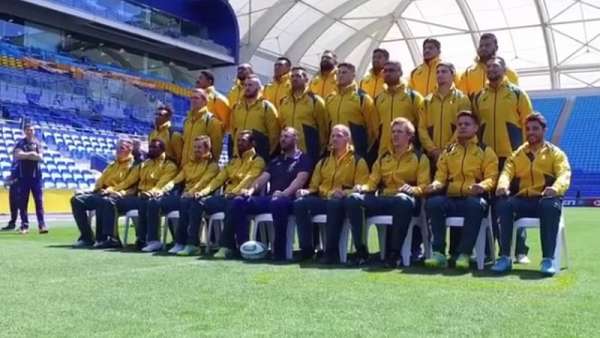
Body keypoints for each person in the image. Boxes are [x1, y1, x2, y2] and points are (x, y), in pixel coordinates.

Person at [492, 113, 571, 276]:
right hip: (522, 200)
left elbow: (564, 174)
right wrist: (502, 185)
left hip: (544, 199)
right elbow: (506, 172)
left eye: (535, 128)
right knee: (504, 204)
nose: (531, 132)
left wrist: (555, 188)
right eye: (527, 129)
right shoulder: (517, 154)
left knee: (550, 205)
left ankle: (548, 259)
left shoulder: (556, 153)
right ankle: (505, 257)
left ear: (544, 130)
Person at [472, 56, 533, 261]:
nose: (490, 69)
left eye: (495, 66)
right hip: (487, 159)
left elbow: (529, 125)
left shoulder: (517, 93)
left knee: (511, 204)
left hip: (511, 158)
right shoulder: (480, 96)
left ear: (504, 69)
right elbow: (475, 127)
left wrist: (524, 155)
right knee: (487, 207)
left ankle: (520, 250)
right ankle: (489, 251)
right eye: (488, 66)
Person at [218, 127, 311, 260]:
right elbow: (262, 179)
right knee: (239, 201)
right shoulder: (275, 160)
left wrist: (284, 193)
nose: (282, 139)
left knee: (277, 203)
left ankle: (279, 252)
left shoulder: (303, 159)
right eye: (281, 136)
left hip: (288, 200)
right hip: (271, 198)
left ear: (296, 139)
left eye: (286, 136)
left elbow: (300, 180)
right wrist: (249, 191)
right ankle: (244, 247)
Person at [347, 118, 430, 266]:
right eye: (393, 132)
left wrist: (413, 189)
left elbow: (424, 186)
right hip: (385, 198)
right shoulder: (383, 157)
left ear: (410, 135)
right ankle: (361, 251)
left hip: (407, 201)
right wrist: (363, 188)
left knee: (401, 200)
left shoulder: (420, 157)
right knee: (354, 198)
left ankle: (394, 254)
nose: (395, 135)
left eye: (399, 132)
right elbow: (372, 183)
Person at [424, 111, 498, 269]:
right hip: (452, 198)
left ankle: (464, 254)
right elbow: (441, 175)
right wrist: (436, 184)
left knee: (475, 205)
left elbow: (492, 177)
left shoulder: (485, 151)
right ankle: (438, 253)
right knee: (434, 203)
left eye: (467, 124)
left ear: (476, 128)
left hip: (474, 198)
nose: (462, 127)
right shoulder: (449, 150)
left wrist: (482, 186)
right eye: (459, 124)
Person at [294, 124, 369, 264]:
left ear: (348, 139)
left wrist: (345, 192)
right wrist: (306, 191)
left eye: (338, 136)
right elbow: (314, 187)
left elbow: (361, 188)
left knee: (334, 203)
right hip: (323, 198)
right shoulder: (323, 162)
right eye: (332, 136)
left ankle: (331, 252)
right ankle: (307, 250)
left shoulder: (358, 161)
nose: (334, 139)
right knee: (300, 203)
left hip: (342, 201)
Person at [189, 130, 266, 259]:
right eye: (238, 141)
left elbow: (249, 179)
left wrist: (234, 193)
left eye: (243, 141)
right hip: (226, 196)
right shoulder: (233, 161)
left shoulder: (258, 161)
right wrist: (201, 193)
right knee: (198, 202)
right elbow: (218, 180)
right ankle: (193, 245)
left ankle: (226, 247)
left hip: (241, 197)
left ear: (253, 143)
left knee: (233, 205)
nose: (240, 143)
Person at [95, 139, 178, 250]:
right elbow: (128, 181)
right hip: (139, 196)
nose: (151, 150)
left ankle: (150, 240)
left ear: (162, 150)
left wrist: (151, 193)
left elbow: (161, 184)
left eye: (154, 147)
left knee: (148, 202)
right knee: (108, 200)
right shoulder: (144, 165)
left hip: (157, 196)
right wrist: (113, 190)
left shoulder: (169, 166)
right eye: (150, 147)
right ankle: (111, 239)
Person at [150, 136, 219, 256]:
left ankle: (185, 242)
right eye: (195, 147)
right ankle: (153, 240)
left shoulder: (212, 166)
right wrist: (162, 190)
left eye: (199, 147)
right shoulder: (189, 164)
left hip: (201, 196)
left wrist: (191, 192)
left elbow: (202, 182)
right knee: (155, 202)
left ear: (207, 148)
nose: (196, 150)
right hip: (186, 195)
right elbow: (176, 180)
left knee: (185, 202)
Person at [70, 139, 137, 247]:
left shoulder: (134, 165)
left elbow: (129, 184)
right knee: (77, 200)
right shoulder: (112, 165)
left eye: (121, 148)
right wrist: (92, 190)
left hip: (120, 195)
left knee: (104, 201)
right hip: (103, 192)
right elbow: (101, 180)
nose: (117, 151)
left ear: (130, 149)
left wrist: (111, 191)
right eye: (117, 148)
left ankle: (110, 238)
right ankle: (86, 237)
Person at [419, 62, 470, 166]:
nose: (440, 74)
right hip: (431, 156)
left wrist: (447, 148)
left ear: (453, 75)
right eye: (437, 72)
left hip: (455, 154)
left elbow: (462, 127)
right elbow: (421, 128)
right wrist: (432, 150)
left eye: (444, 71)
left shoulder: (462, 99)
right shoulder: (427, 101)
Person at [325, 62, 377, 163]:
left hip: (355, 152)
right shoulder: (330, 98)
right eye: (338, 73)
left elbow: (372, 128)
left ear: (353, 75)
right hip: (333, 151)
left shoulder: (363, 98)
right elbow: (325, 126)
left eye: (344, 72)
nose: (340, 75)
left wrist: (365, 149)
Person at [374, 61, 424, 159]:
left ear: (400, 73)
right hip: (384, 153)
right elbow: (375, 128)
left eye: (391, 70)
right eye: (385, 71)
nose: (388, 73)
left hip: (408, 153)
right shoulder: (378, 98)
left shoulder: (414, 97)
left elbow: (422, 125)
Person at [278, 66, 328, 163]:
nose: (294, 78)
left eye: (298, 76)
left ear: (306, 79)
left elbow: (323, 128)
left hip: (307, 152)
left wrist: (320, 151)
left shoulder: (315, 101)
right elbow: (281, 125)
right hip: (287, 153)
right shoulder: (284, 101)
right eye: (292, 76)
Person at [230, 75, 280, 161]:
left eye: (250, 85)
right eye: (245, 85)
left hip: (258, 155)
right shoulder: (237, 107)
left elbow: (274, 134)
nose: (247, 88)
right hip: (239, 155)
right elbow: (233, 131)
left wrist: (267, 154)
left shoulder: (267, 107)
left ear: (259, 88)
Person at [13, 124, 46, 234]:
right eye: (28, 130)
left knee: (39, 202)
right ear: (24, 131)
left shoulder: (37, 143)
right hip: (23, 177)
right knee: (23, 202)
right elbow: (17, 155)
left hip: (36, 177)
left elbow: (40, 157)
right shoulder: (20, 143)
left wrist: (27, 155)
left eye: (31, 130)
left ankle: (42, 225)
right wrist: (31, 154)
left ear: (34, 131)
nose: (30, 132)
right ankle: (24, 225)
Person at [181, 88, 224, 165]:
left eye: (196, 98)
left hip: (201, 169)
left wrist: (210, 166)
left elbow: (216, 148)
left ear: (205, 101)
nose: (193, 100)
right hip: (185, 167)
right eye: (192, 98)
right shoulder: (187, 121)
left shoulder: (212, 121)